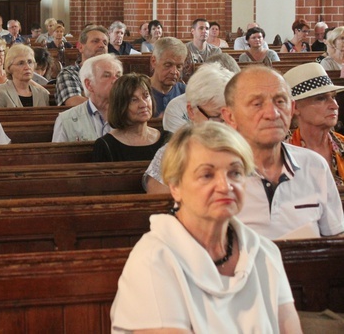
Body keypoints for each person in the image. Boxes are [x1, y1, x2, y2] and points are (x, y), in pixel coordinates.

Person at [111, 122, 303, 334]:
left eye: (235, 173)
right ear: (175, 186)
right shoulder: (153, 259)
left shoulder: (264, 252)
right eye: (207, 175)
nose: (225, 186)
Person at [222, 65, 344, 239]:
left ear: (291, 107)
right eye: (257, 104)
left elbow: (336, 239)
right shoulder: (214, 175)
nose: (272, 114)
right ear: (230, 117)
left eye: (280, 102)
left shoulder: (315, 165)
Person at [144, 62, 236, 193]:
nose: (226, 127)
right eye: (217, 117)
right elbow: (159, 202)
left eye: (231, 117)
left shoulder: (246, 148)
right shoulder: (174, 153)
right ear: (191, 111)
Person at [284, 62, 344, 185]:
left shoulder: (342, 144)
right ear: (295, 108)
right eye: (321, 98)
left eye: (333, 97)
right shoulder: (283, 154)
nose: (335, 105)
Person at [92, 73, 170, 162]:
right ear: (120, 106)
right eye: (134, 100)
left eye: (146, 96)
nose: (143, 104)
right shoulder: (106, 146)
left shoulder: (168, 140)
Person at [52, 53, 122, 142]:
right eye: (107, 75)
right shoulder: (66, 120)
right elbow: (59, 155)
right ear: (89, 84)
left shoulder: (131, 115)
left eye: (118, 75)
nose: (115, 80)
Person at [56, 25, 109, 106]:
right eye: (95, 41)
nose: (102, 45)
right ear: (80, 47)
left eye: (105, 43)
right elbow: (74, 102)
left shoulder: (113, 74)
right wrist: (110, 105)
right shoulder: (70, 73)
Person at [150, 36, 187, 117]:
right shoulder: (140, 93)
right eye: (168, 65)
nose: (174, 72)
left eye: (179, 67)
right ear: (154, 61)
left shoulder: (186, 93)